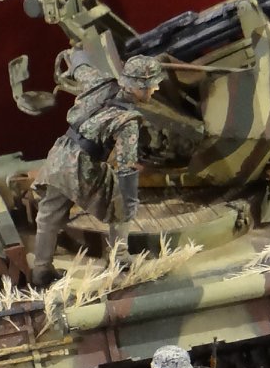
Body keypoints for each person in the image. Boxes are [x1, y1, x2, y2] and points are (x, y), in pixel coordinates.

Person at [28, 54, 167, 285]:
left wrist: (74, 56)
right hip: (84, 165)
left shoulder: (99, 81)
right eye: (152, 84)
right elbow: (126, 167)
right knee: (120, 203)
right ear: (138, 87)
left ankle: (41, 270)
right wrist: (130, 199)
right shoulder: (128, 120)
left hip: (60, 153)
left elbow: (79, 66)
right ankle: (120, 259)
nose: (156, 88)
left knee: (49, 215)